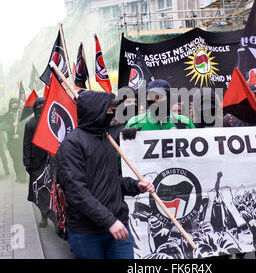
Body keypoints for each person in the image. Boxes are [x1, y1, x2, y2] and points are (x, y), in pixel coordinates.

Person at [56, 90, 155, 259]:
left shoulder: (106, 139)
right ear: (96, 111)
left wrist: (135, 186)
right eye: (109, 109)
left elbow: (111, 180)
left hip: (118, 226)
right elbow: (77, 192)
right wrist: (109, 221)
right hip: (88, 233)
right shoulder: (72, 145)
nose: (112, 113)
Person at [123, 79, 195, 137]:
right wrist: (125, 141)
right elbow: (119, 154)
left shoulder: (185, 123)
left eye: (159, 96)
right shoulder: (134, 123)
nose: (155, 100)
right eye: (151, 96)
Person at [23, 97, 50, 227]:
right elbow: (26, 144)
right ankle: (44, 216)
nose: (40, 109)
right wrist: (27, 162)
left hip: (51, 162)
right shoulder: (30, 124)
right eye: (38, 107)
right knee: (40, 191)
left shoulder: (50, 121)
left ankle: (52, 215)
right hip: (37, 164)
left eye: (42, 106)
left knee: (50, 190)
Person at [0, 98, 25, 182]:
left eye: (16, 104)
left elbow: (24, 125)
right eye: (13, 104)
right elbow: (1, 126)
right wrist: (11, 125)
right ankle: (18, 175)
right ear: (10, 105)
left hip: (20, 141)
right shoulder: (6, 116)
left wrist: (19, 134)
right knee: (15, 159)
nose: (15, 105)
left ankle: (23, 176)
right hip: (11, 142)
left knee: (21, 158)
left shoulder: (21, 114)